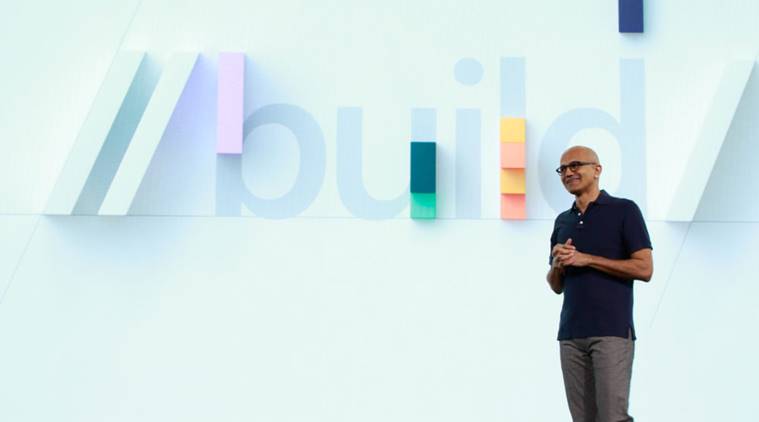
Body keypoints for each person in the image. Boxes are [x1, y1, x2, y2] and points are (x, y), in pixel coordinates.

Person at [547, 146, 653, 422]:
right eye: (563, 169)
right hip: (570, 335)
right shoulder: (563, 221)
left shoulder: (624, 210)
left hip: (611, 331)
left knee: (612, 417)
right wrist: (558, 265)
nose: (568, 172)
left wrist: (587, 259)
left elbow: (644, 268)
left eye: (575, 165)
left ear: (597, 170)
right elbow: (556, 285)